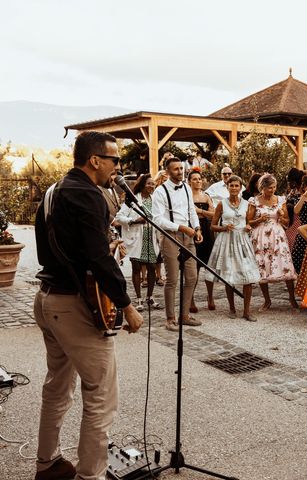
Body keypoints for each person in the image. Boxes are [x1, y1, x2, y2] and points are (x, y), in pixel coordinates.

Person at [33, 131, 143, 480]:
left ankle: (48, 463)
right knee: (100, 397)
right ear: (95, 160)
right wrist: (127, 306)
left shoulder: (54, 191)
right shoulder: (88, 194)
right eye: (115, 160)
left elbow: (63, 250)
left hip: (48, 298)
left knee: (57, 387)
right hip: (73, 307)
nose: (117, 167)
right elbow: (96, 258)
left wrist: (109, 249)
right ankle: (90, 476)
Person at [152, 156, 203, 331]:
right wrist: (181, 227)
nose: (180, 172)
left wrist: (197, 228)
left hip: (188, 235)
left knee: (192, 276)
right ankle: (170, 319)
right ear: (167, 172)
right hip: (169, 235)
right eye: (176, 169)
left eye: (181, 168)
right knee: (172, 279)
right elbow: (158, 219)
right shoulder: (160, 192)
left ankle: (185, 315)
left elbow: (191, 210)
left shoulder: (187, 188)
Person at [206, 175, 261, 322]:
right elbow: (212, 226)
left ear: (241, 187)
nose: (234, 188)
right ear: (228, 187)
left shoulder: (246, 204)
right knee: (229, 276)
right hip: (226, 240)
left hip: (242, 241)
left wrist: (249, 226)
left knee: (248, 277)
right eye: (232, 186)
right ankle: (231, 308)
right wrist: (223, 227)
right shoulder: (221, 204)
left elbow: (248, 222)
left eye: (237, 186)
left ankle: (247, 311)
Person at [247, 173, 298, 311]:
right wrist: (259, 220)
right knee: (262, 267)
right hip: (261, 236)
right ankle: (267, 300)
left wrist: (281, 217)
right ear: (262, 188)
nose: (273, 190)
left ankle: (292, 298)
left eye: (274, 187)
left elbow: (287, 222)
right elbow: (248, 222)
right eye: (270, 188)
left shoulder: (281, 200)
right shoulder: (254, 201)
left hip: (277, 235)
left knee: (285, 264)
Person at [115, 173, 163, 311]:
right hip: (137, 239)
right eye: (149, 183)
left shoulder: (155, 200)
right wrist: (135, 221)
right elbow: (120, 217)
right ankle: (138, 299)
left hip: (151, 238)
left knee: (152, 268)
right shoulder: (133, 200)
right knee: (136, 268)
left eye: (153, 184)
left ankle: (150, 297)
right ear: (142, 185)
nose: (151, 186)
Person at [188, 169, 216, 312]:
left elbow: (213, 215)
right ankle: (191, 299)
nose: (198, 181)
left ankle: (210, 297)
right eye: (194, 179)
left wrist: (200, 212)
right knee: (194, 268)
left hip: (207, 230)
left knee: (209, 266)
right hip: (192, 230)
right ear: (189, 181)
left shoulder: (206, 196)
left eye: (199, 179)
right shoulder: (186, 196)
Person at [285, 167, 305, 252]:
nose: (288, 183)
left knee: (292, 240)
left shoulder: (301, 191)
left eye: (289, 181)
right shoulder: (293, 190)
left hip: (299, 219)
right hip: (293, 219)